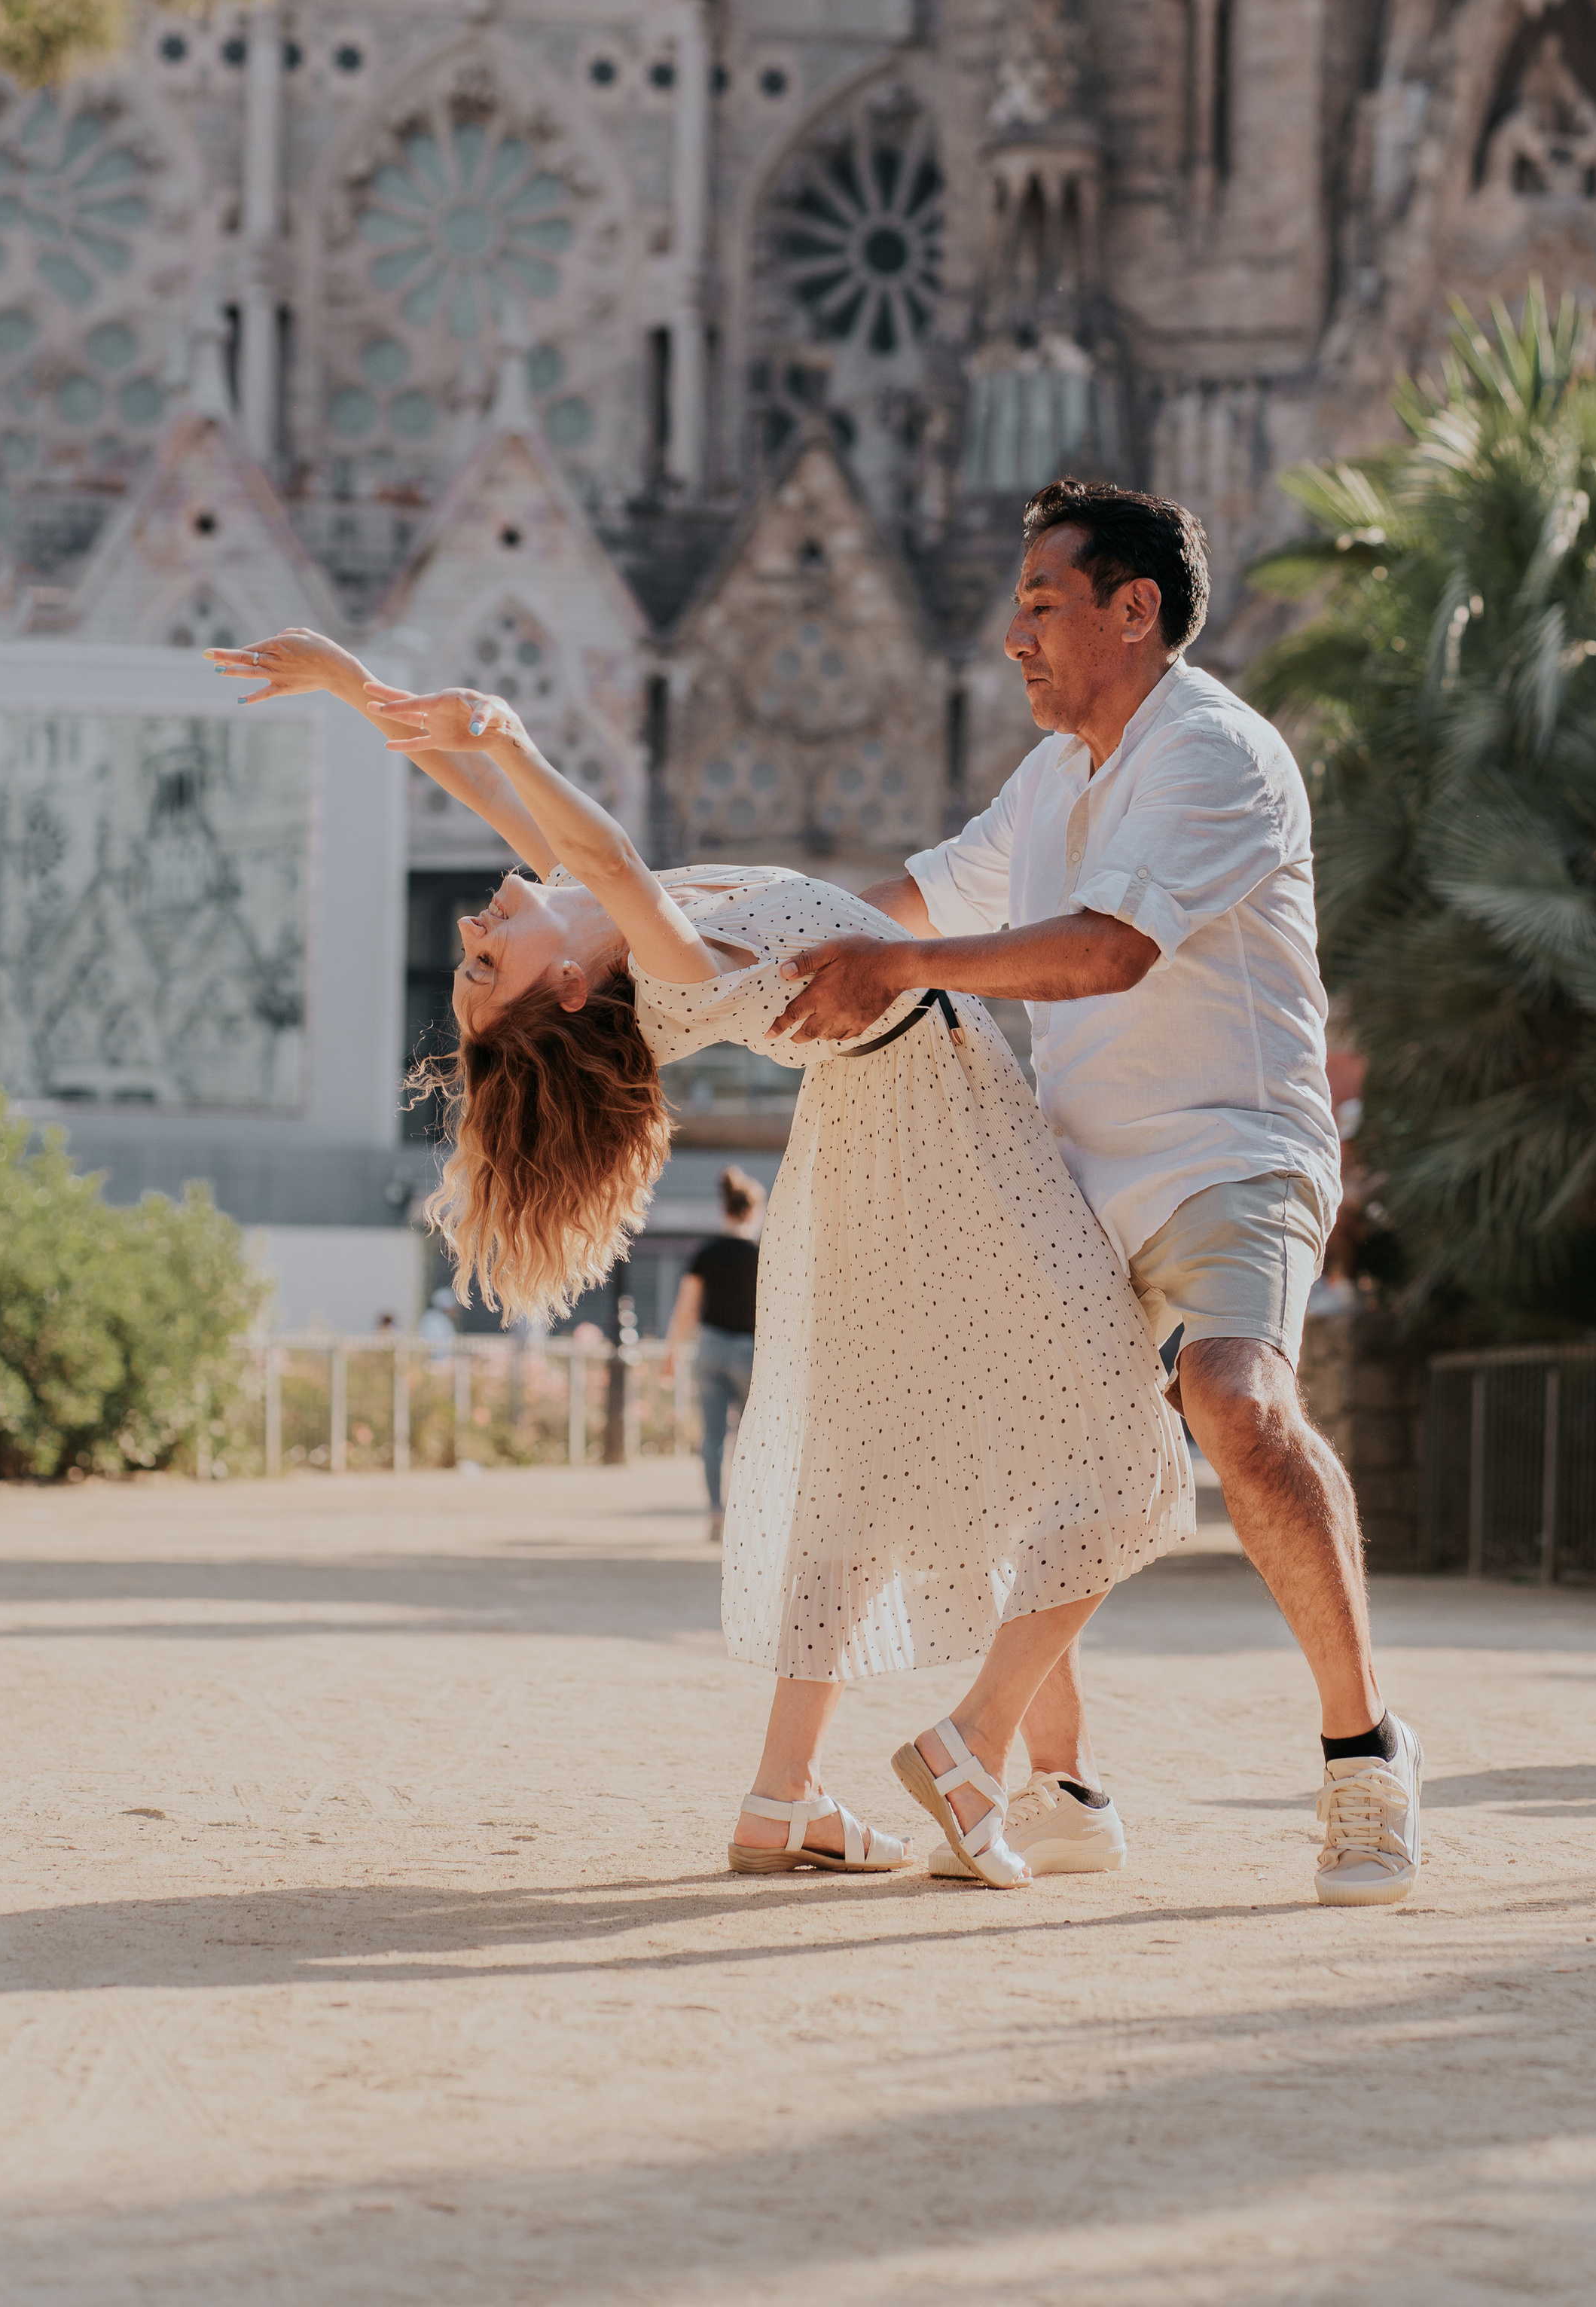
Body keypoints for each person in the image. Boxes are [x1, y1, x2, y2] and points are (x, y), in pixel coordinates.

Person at [207, 626, 1194, 1887]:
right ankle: (971, 1752)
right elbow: (591, 844)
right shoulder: (672, 961)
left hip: (884, 1156)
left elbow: (492, 798)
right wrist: (506, 725)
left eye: (465, 962)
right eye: (485, 969)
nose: (471, 935)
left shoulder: (606, 932)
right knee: (1119, 1448)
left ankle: (806, 1796)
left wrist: (352, 686)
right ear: (564, 987)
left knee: (928, 1469)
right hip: (944, 1152)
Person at [773, 479, 1424, 1906]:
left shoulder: (1216, 755)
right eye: (1016, 607)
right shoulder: (1054, 775)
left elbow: (1105, 953)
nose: (1014, 637)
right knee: (1039, 1466)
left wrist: (895, 969)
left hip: (1226, 1148)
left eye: (1042, 605)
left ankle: (1365, 1759)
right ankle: (1062, 1794)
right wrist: (688, 932)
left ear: (1136, 612)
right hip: (1072, 1165)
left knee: (1241, 1416)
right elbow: (903, 902)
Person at [661, 1166, 765, 1543]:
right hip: (750, 1350)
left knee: (713, 1439)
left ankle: (716, 1513)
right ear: (754, 1211)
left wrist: (671, 1352)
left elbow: (686, 1308)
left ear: (724, 1210)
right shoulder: (763, 1254)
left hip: (710, 1348)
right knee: (756, 1438)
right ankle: (750, 1512)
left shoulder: (706, 1253)